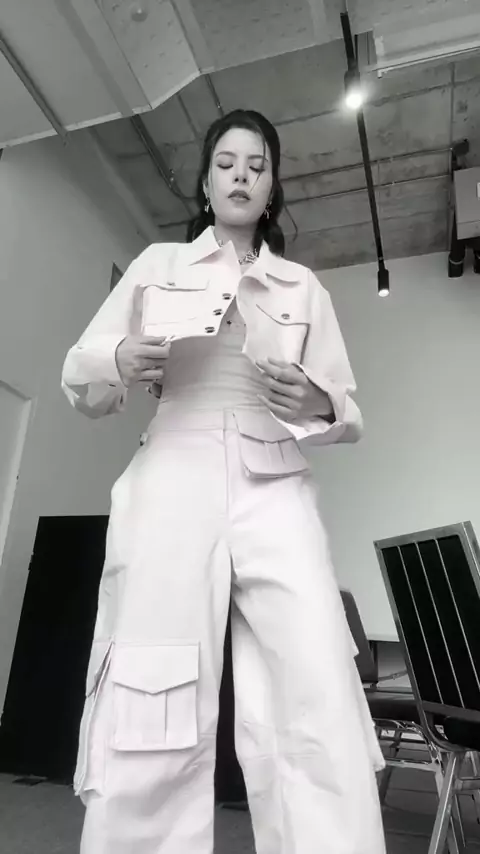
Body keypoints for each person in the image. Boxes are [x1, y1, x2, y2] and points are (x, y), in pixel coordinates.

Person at [62, 109, 386, 854]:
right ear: (206, 185)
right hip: (173, 470)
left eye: (257, 166)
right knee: (156, 677)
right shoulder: (157, 266)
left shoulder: (302, 286)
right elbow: (81, 375)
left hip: (277, 481)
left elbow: (346, 409)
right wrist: (119, 359)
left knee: (315, 674)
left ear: (271, 189)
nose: (242, 175)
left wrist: (318, 402)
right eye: (227, 163)